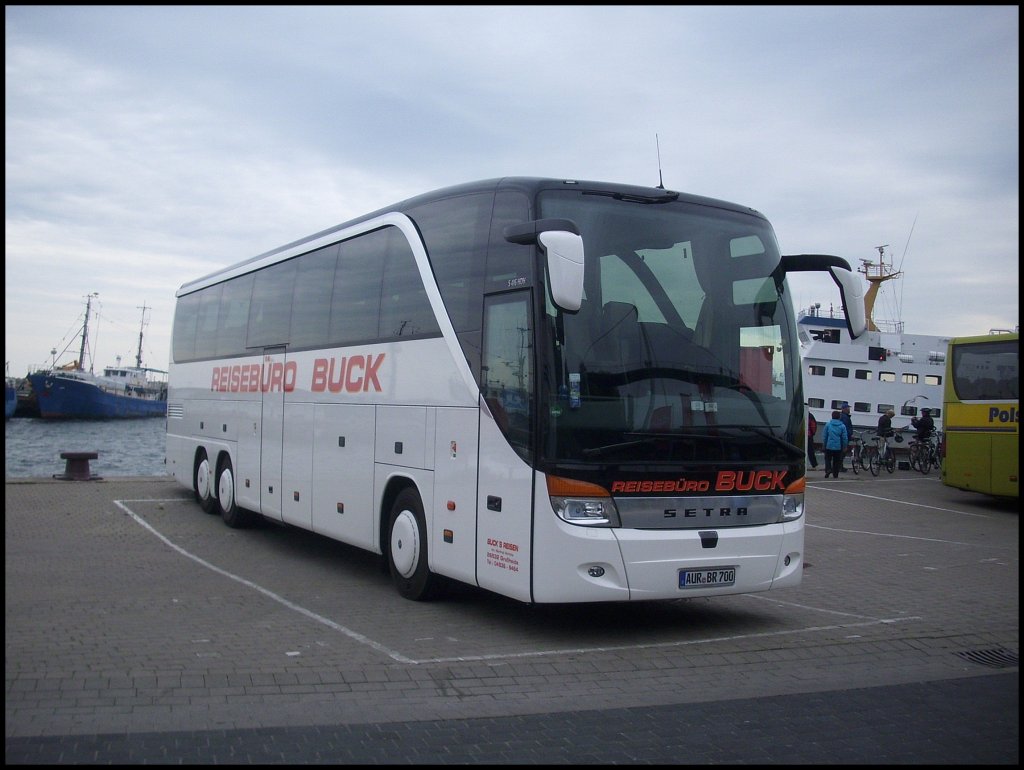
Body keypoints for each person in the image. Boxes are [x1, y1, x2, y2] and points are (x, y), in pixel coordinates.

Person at [821, 410, 849, 478]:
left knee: (827, 459)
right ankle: (835, 474)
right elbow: (844, 438)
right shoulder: (842, 426)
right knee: (836, 461)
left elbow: (824, 436)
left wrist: (824, 445)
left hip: (829, 445)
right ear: (839, 417)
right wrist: (845, 446)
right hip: (838, 446)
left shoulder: (828, 424)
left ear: (832, 416)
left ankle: (828, 469)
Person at [839, 402, 854, 471]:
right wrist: (849, 435)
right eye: (848, 408)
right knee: (842, 452)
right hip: (844, 437)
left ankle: (839, 466)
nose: (849, 409)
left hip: (842, 437)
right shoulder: (845, 417)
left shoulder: (843, 416)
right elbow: (846, 428)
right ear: (844, 409)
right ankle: (840, 467)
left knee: (841, 453)